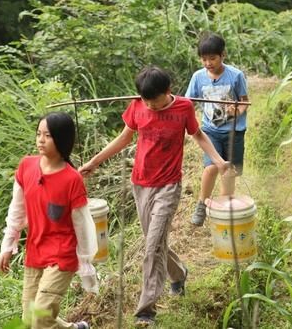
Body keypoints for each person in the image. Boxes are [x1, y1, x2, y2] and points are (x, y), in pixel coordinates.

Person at [79, 66, 229, 327]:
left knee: (151, 247)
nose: (150, 106)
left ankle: (145, 310)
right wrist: (94, 161)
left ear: (168, 92)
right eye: (146, 101)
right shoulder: (138, 106)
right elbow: (124, 138)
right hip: (140, 183)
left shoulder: (183, 108)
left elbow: (198, 135)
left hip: (169, 185)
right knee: (155, 242)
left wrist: (217, 160)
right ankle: (179, 274)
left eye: (154, 101)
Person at [0, 112, 97, 329]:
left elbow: (82, 224)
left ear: (62, 139)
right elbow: (16, 209)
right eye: (38, 134)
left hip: (62, 254)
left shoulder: (72, 179)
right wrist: (8, 244)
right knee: (29, 317)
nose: (40, 140)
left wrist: (86, 264)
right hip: (36, 250)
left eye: (48, 136)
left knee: (41, 318)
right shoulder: (26, 166)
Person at [185, 32, 249, 226]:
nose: (208, 63)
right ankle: (202, 205)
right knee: (212, 166)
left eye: (212, 58)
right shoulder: (198, 77)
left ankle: (222, 208)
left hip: (233, 131)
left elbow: (245, 102)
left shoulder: (235, 75)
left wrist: (236, 111)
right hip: (210, 130)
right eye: (204, 59)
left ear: (223, 55)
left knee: (229, 170)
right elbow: (189, 102)